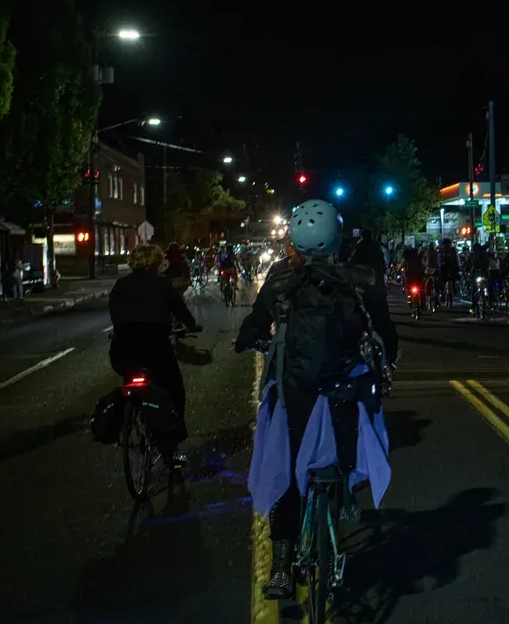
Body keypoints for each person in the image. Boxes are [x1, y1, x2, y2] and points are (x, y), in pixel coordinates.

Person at [235, 200, 398, 600]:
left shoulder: (279, 280)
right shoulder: (362, 279)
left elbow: (253, 326)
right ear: (337, 237)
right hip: (346, 389)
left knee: (289, 473)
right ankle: (344, 500)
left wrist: (252, 339)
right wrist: (386, 362)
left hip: (296, 391)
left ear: (295, 238)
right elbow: (386, 336)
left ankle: (281, 569)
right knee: (349, 447)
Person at [108, 243, 201, 466]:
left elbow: (114, 313)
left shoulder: (120, 284)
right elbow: (180, 310)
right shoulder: (162, 285)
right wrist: (192, 326)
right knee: (174, 390)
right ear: (157, 263)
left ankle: (130, 417)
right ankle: (172, 446)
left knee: (129, 376)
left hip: (123, 350)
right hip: (154, 349)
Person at [439, 238, 460, 302]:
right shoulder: (453, 249)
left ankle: (442, 293)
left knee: (442, 279)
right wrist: (458, 266)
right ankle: (454, 290)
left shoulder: (441, 249)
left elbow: (439, 259)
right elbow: (457, 259)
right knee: (454, 278)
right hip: (453, 267)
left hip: (444, 267)